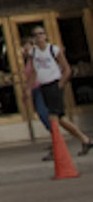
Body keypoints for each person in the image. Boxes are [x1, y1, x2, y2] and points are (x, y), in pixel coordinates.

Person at [21, 24, 92, 156]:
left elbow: (66, 69)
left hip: (54, 85)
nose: (39, 37)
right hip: (43, 86)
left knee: (53, 118)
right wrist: (28, 89)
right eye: (36, 35)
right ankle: (84, 140)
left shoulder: (53, 50)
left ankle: (57, 150)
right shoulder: (34, 53)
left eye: (41, 33)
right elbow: (33, 73)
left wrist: (59, 85)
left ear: (46, 36)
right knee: (59, 119)